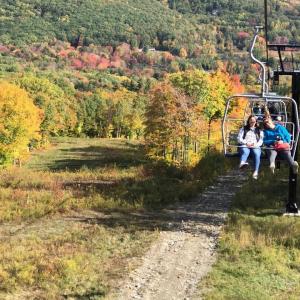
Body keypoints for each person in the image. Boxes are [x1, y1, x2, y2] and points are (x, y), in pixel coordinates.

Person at [237, 115, 264, 179]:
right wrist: (246, 143)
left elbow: (261, 140)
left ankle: (256, 171)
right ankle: (242, 163)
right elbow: (239, 138)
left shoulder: (259, 130)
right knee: (245, 151)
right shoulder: (244, 129)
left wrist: (255, 145)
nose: (252, 122)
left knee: (257, 153)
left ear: (256, 121)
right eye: (251, 120)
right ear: (248, 121)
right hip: (245, 144)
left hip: (255, 145)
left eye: (254, 121)